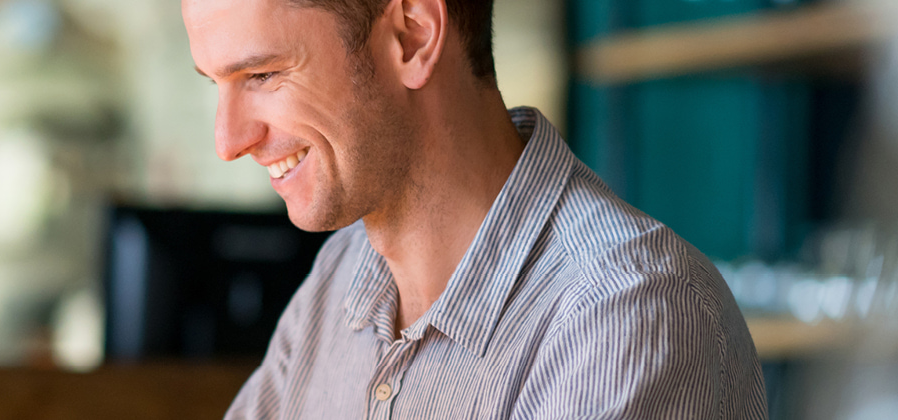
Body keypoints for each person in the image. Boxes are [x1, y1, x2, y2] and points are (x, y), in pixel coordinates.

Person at [182, 0, 768, 417]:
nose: (228, 142)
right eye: (214, 84)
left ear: (412, 35)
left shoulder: (624, 318)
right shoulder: (335, 283)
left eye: (261, 74)